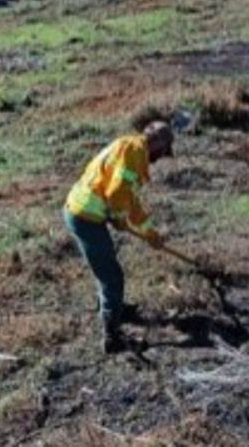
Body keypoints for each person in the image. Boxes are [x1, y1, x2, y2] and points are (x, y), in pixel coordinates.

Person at [62, 120, 173, 353]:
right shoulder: (133, 153)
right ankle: (113, 337)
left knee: (106, 265)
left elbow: (131, 201)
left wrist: (151, 233)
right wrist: (118, 216)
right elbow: (117, 193)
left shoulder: (132, 148)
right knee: (112, 277)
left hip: (84, 212)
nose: (160, 159)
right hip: (85, 217)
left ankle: (114, 307)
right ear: (159, 146)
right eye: (163, 153)